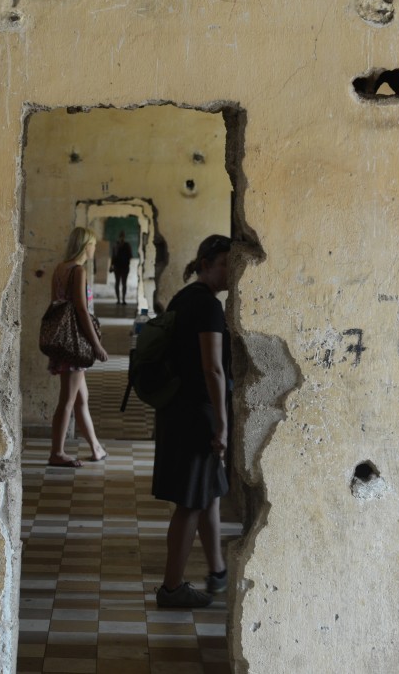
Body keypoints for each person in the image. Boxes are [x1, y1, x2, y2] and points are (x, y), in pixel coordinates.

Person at [153, 234, 232, 608]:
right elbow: (212, 368)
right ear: (205, 264)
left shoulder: (184, 298)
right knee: (190, 503)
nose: (230, 272)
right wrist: (222, 422)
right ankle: (171, 588)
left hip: (177, 408)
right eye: (224, 264)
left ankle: (217, 572)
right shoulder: (208, 307)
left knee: (209, 495)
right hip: (197, 413)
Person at [47, 227, 109, 468]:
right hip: (75, 343)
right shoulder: (79, 270)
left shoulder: (60, 269)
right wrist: (96, 344)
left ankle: (96, 448)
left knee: (82, 397)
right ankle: (57, 452)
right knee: (68, 400)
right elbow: (81, 310)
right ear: (86, 246)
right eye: (92, 244)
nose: (95, 248)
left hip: (63, 341)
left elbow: (56, 305)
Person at [112, 230, 133, 305]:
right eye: (121, 236)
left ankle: (123, 300)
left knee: (123, 283)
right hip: (118, 267)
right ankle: (118, 300)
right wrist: (112, 265)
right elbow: (113, 256)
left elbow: (130, 256)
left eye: (122, 236)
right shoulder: (116, 245)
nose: (122, 238)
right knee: (118, 283)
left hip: (124, 267)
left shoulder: (127, 245)